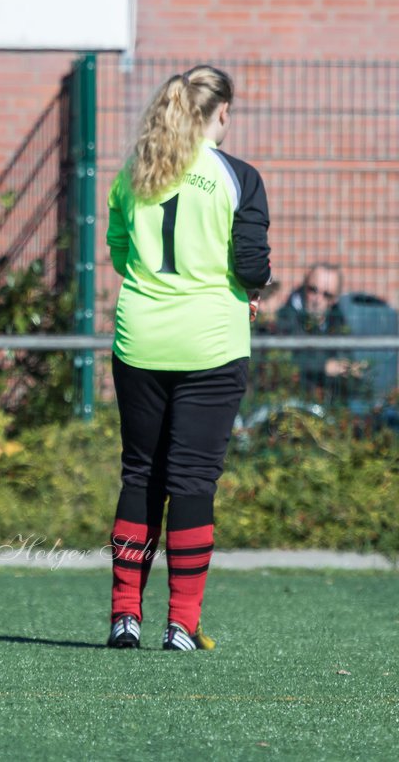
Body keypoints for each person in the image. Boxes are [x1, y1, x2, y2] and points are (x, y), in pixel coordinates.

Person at [104, 65, 271, 652]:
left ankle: (125, 616)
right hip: (212, 346)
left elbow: (121, 255)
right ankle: (182, 623)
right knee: (194, 480)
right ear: (220, 112)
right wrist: (251, 289)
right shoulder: (237, 177)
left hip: (140, 340)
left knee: (140, 475)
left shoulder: (133, 174)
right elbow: (251, 267)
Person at [274, 264, 349, 399]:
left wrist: (351, 368)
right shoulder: (285, 319)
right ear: (304, 286)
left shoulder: (338, 320)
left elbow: (346, 356)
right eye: (313, 290)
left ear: (335, 299)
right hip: (291, 398)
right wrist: (324, 366)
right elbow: (285, 361)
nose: (317, 299)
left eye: (327, 295)